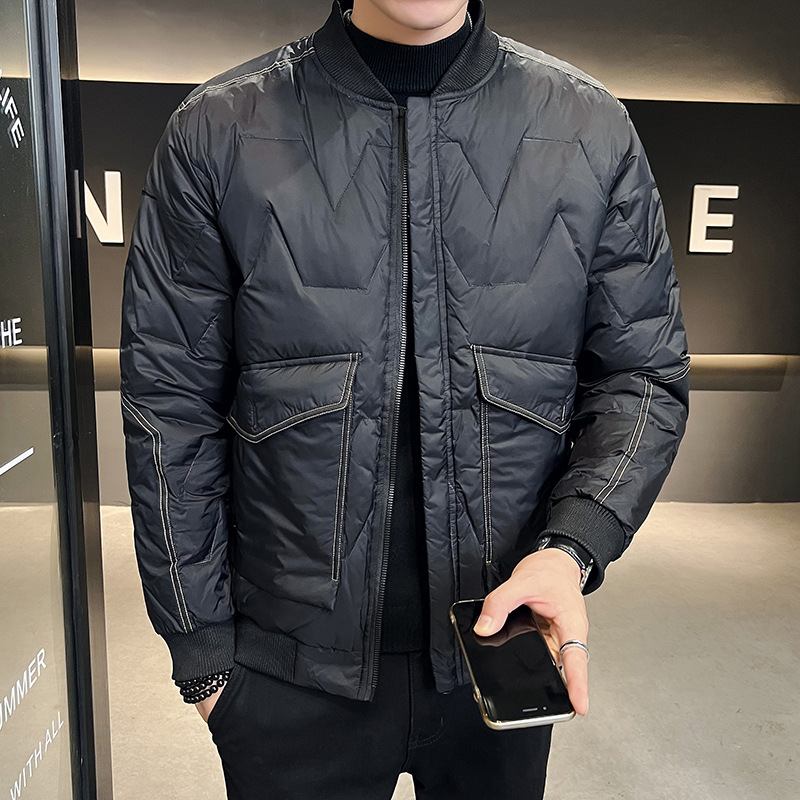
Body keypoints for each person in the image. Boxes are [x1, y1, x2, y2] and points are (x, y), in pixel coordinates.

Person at [118, 0, 690, 797]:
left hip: (501, 654)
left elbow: (642, 376)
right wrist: (202, 655)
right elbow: (169, 402)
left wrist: (571, 548)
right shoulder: (218, 130)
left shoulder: (590, 129)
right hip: (285, 679)